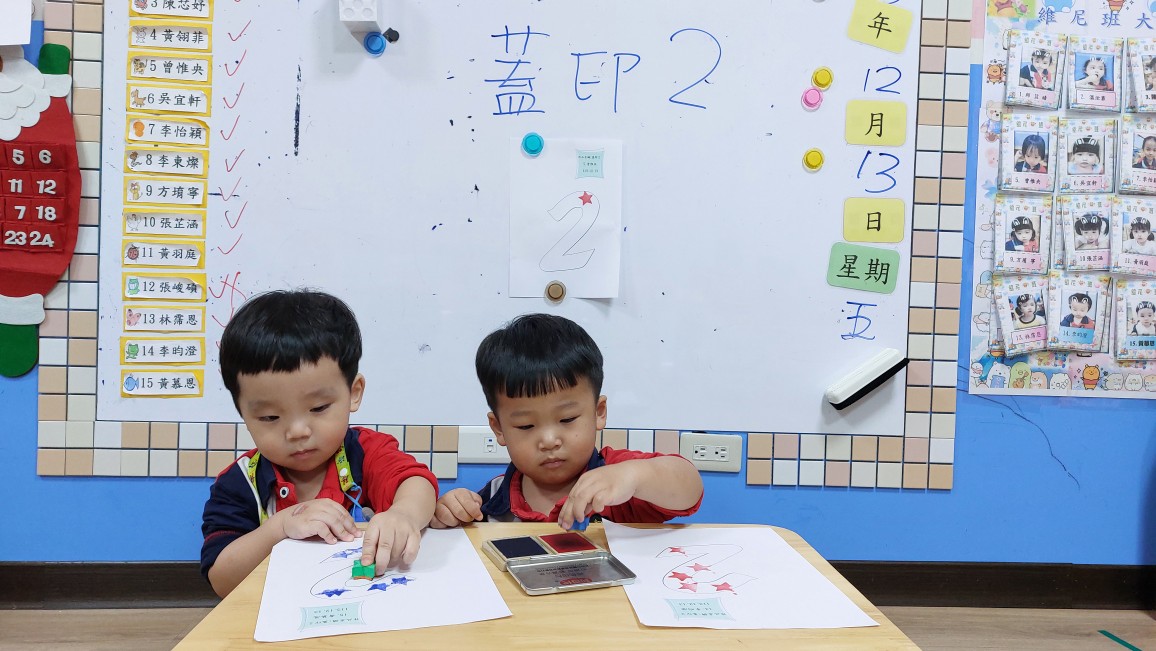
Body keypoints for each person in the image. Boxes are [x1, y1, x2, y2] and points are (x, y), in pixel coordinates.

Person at [200, 290, 438, 598]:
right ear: (242, 412)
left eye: (318, 408)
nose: (297, 431)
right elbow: (222, 580)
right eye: (270, 417)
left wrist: (404, 514)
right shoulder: (241, 481)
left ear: (354, 393)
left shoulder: (366, 452)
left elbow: (416, 483)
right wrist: (280, 527)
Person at [430, 313, 703, 530]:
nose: (549, 441)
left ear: (599, 412)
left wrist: (633, 477)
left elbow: (689, 486)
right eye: (526, 426)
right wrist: (449, 511)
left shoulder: (617, 481)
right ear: (499, 429)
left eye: (567, 419)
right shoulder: (493, 499)